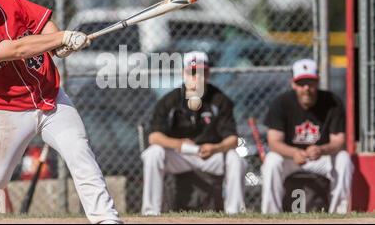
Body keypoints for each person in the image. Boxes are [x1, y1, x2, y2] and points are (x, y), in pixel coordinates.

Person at [0, 0, 122, 224]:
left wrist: (59, 40)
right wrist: (62, 38)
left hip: (51, 98)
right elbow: (18, 49)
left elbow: (42, 21)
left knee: (79, 150)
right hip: (10, 112)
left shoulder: (7, 1)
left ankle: (107, 220)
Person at [141, 51, 246, 215]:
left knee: (235, 159)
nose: (197, 78)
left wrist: (215, 148)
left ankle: (234, 213)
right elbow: (154, 137)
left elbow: (233, 140)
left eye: (201, 73)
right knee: (153, 154)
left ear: (208, 74)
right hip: (180, 155)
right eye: (192, 72)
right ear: (184, 73)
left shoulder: (219, 99)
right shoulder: (170, 100)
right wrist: (178, 144)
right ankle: (150, 212)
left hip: (210, 155)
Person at [261, 58, 354, 214]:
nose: (306, 88)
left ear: (317, 82)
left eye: (310, 83)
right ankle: (270, 214)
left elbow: (339, 142)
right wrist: (294, 152)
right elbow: (273, 142)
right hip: (291, 158)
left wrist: (321, 150)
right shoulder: (281, 103)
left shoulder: (332, 102)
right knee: (271, 161)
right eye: (301, 83)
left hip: (320, 158)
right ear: (293, 84)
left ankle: (339, 213)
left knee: (343, 158)